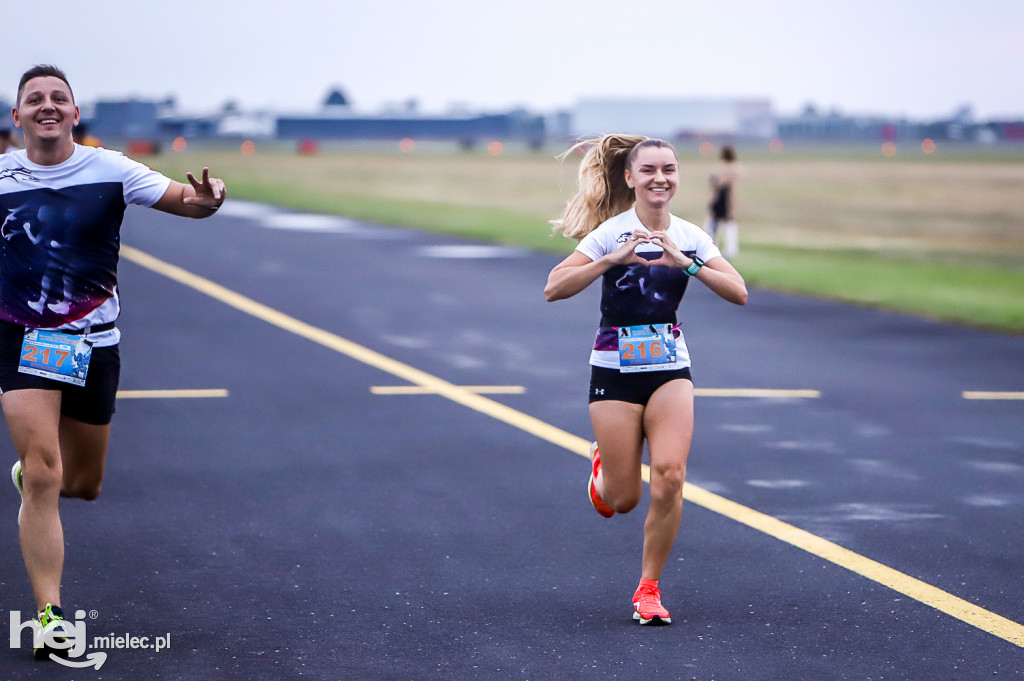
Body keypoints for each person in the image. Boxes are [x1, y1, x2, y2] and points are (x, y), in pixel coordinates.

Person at [1, 64, 225, 660]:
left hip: (94, 343)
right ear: (17, 116)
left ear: (75, 114)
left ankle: (35, 479)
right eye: (34, 99)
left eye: (59, 98)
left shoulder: (110, 168)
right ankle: (49, 615)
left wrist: (208, 200)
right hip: (23, 341)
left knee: (83, 484)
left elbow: (187, 202)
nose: (47, 106)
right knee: (46, 472)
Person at [545, 134, 747, 625]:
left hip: (669, 369)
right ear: (631, 178)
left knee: (671, 477)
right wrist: (609, 261)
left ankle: (648, 589)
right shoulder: (609, 233)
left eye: (670, 170)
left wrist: (689, 263)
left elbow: (739, 291)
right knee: (623, 498)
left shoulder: (691, 235)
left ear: (678, 178)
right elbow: (553, 287)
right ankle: (602, 471)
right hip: (613, 370)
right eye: (650, 170)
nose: (661, 178)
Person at [703, 144, 741, 259]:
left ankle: (709, 246)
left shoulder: (724, 167)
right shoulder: (735, 167)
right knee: (728, 224)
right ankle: (729, 249)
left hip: (722, 197)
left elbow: (719, 185)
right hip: (725, 197)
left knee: (713, 223)